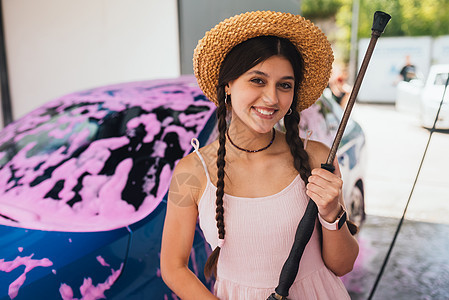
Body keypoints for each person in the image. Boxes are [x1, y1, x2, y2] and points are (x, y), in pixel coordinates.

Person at [160, 11, 359, 300]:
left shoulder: (316, 158)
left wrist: (331, 214)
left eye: (285, 85)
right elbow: (173, 266)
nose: (272, 98)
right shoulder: (191, 172)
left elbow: (343, 265)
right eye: (258, 80)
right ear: (228, 84)